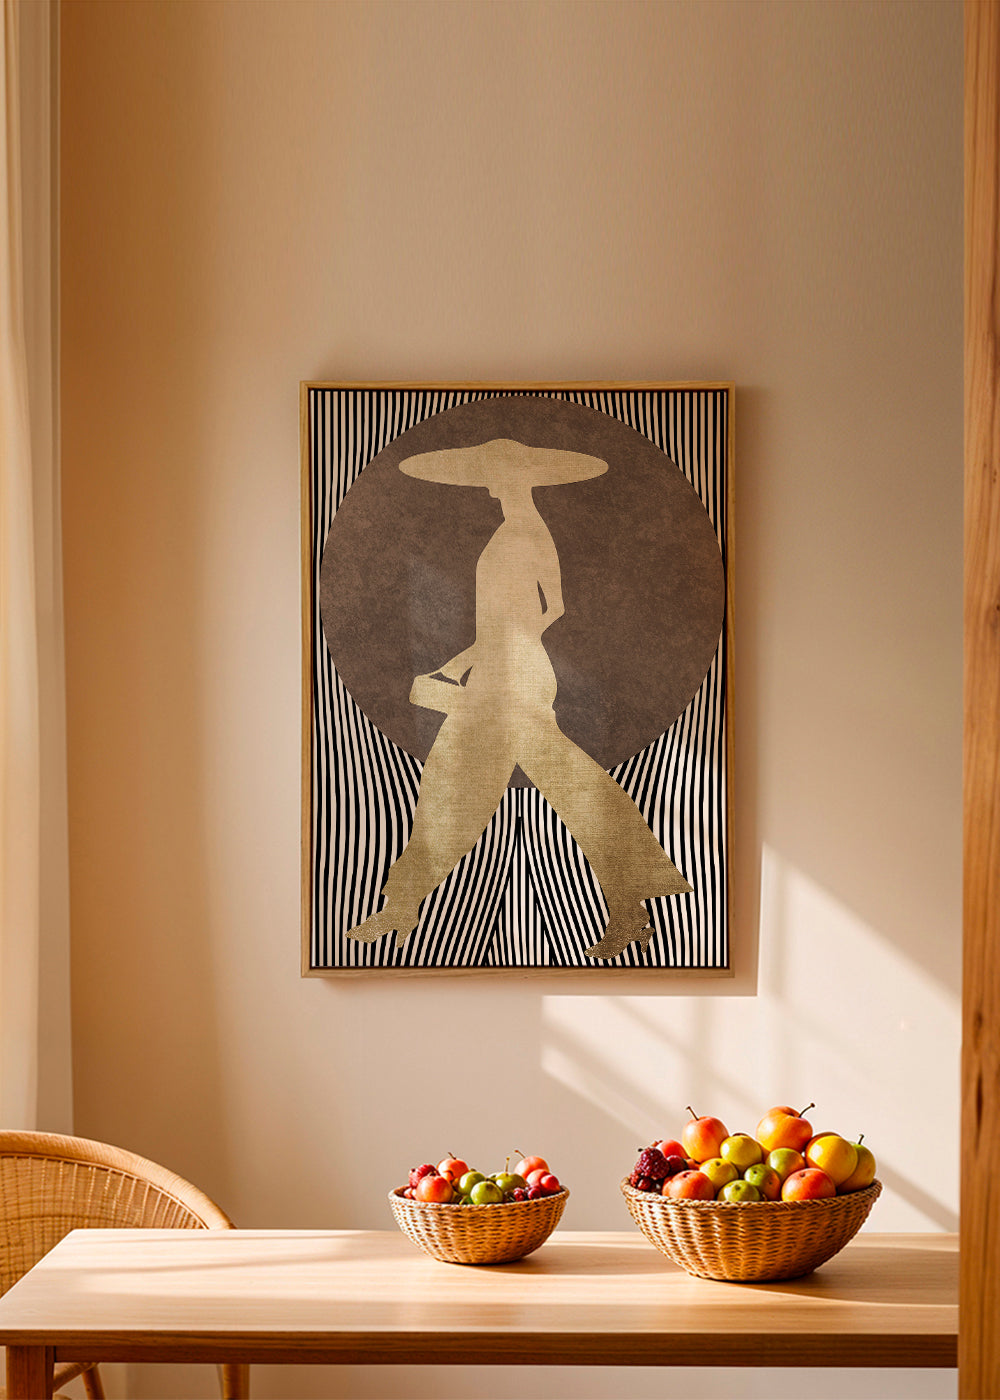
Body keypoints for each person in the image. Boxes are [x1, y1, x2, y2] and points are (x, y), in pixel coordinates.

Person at [348, 437, 691, 960]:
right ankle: (402, 906)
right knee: (457, 786)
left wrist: (493, 654)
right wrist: (461, 664)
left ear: (518, 477)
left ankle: (627, 906)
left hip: (517, 675)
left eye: (497, 472)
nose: (489, 482)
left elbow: (551, 608)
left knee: (535, 786)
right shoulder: (512, 529)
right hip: (497, 670)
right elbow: (509, 621)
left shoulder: (526, 531)